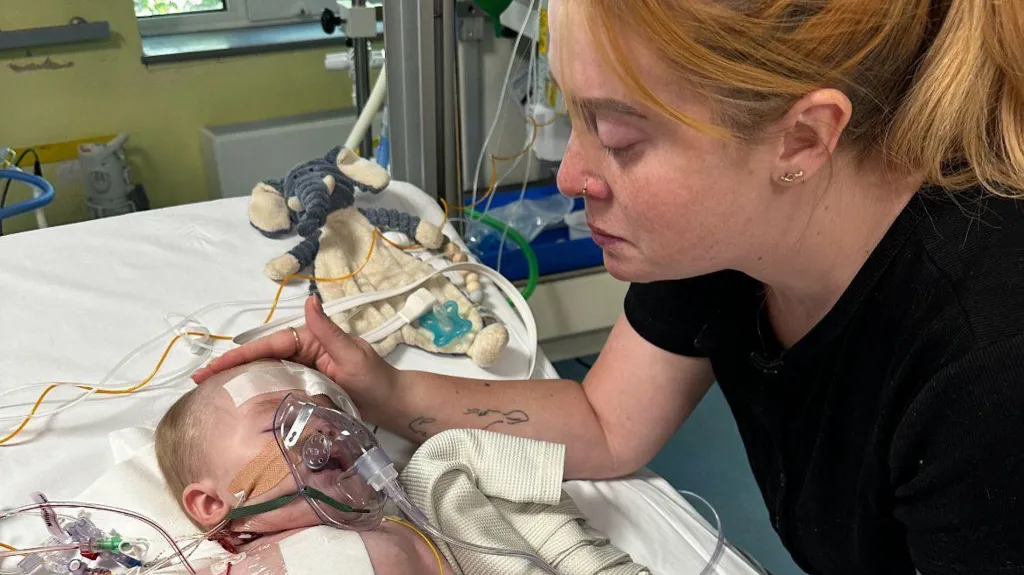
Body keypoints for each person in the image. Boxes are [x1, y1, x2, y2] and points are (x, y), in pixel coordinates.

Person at [194, 0, 1024, 572]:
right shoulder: (731, 239)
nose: (576, 172)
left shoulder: (986, 368)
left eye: (620, 136)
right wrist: (380, 388)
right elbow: (609, 422)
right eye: (573, 112)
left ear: (803, 137)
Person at [156, 361, 453, 574]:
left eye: (335, 418)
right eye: (283, 424)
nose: (326, 426)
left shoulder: (395, 533)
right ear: (211, 503)